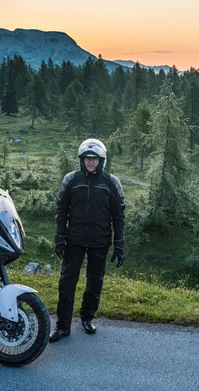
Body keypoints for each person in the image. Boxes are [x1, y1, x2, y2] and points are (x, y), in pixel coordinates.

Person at [49, 138, 125, 342]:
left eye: (95, 159)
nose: (91, 162)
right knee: (67, 283)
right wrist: (59, 238)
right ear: (81, 160)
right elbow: (61, 211)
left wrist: (119, 244)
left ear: (102, 161)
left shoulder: (111, 183)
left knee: (95, 281)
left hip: (100, 241)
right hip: (74, 240)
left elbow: (118, 216)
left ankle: (87, 317)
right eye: (87, 159)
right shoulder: (71, 180)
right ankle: (62, 326)